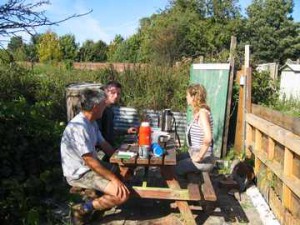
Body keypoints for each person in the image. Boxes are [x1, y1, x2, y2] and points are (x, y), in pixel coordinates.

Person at [60, 89, 130, 225]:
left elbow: (104, 145)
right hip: (80, 173)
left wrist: (122, 160)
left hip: (90, 166)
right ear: (95, 107)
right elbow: (90, 161)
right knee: (122, 195)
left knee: (124, 171)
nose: (105, 106)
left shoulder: (91, 122)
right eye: (103, 104)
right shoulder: (78, 127)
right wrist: (114, 179)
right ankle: (82, 209)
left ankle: (99, 205)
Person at [175, 84, 214, 177]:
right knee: (174, 159)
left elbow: (208, 138)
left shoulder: (203, 113)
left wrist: (200, 157)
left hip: (204, 158)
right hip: (193, 151)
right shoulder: (199, 112)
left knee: (174, 168)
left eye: (187, 95)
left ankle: (182, 190)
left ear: (193, 97)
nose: (186, 97)